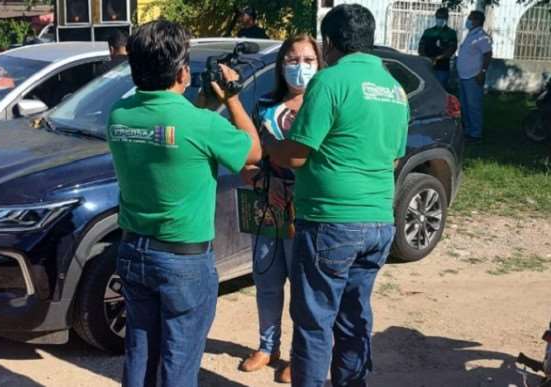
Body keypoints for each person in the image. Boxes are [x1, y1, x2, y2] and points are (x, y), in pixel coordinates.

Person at [106, 20, 262, 387]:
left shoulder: (118, 114)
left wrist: (203, 102)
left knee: (140, 354)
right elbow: (253, 150)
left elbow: (168, 128)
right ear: (181, 71)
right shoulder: (200, 124)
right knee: (179, 362)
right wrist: (233, 99)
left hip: (132, 251)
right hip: (183, 262)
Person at [263, 4, 408, 386]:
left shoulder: (329, 82)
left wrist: (267, 143)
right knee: (354, 317)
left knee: (314, 322)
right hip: (378, 221)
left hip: (331, 223)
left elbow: (295, 154)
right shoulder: (394, 89)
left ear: (329, 43)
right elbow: (394, 158)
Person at [238, 34, 324, 385]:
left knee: (305, 290)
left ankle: (298, 356)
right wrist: (248, 171)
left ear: (320, 65)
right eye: (292, 59)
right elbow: (249, 150)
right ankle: (267, 345)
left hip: (306, 212)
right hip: (265, 207)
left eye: (308, 60)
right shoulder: (263, 105)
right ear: (280, 64)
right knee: (266, 279)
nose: (299, 67)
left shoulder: (324, 106)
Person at [457, 10, 492, 142]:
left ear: (477, 21)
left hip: (473, 76)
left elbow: (487, 54)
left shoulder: (482, 36)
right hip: (464, 76)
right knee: (465, 105)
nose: (468, 21)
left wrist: (482, 72)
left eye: (470, 18)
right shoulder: (471, 34)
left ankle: (476, 134)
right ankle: (468, 131)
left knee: (474, 106)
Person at [418, 7, 457, 89]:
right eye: (438, 17)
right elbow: (421, 47)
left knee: (440, 90)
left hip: (442, 68)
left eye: (442, 17)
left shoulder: (451, 33)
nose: (440, 19)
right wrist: (427, 59)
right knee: (426, 89)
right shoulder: (428, 32)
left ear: (447, 18)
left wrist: (437, 58)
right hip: (427, 66)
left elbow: (451, 50)